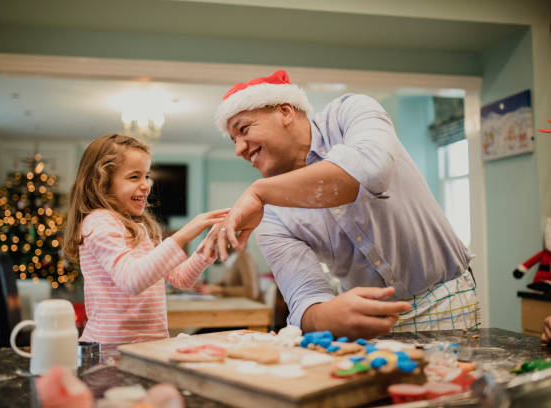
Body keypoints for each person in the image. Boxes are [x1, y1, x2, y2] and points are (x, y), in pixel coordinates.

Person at [206, 70, 480, 339]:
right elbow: (305, 300)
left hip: (444, 300)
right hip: (364, 322)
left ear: (286, 111)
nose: (239, 149)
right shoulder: (270, 213)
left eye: (243, 130)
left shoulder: (349, 113)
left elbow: (371, 172)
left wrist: (258, 192)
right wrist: (327, 316)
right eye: (233, 140)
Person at [63, 133, 228, 345]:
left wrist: (207, 248)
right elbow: (132, 280)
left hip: (151, 345)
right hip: (111, 349)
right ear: (102, 183)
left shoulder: (141, 228)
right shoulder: (99, 222)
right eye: (134, 177)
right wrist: (185, 233)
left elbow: (180, 279)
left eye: (146, 176)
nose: (146, 185)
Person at [195, 246, 260, 300]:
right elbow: (227, 283)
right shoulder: (231, 259)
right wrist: (209, 287)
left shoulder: (244, 258)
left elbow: (251, 292)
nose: (215, 246)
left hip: (253, 310)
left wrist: (220, 290)